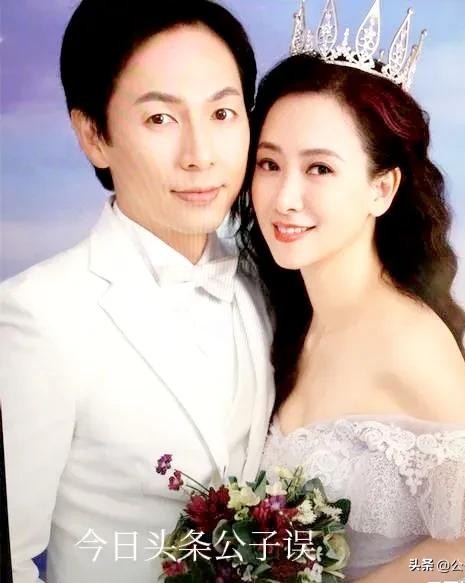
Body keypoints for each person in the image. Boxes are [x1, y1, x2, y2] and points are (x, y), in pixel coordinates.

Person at [0, 1, 274, 582]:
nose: (200, 155)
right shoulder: (38, 314)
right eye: (160, 119)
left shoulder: (270, 284)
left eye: (222, 113)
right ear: (93, 135)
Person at [239, 36, 465, 583]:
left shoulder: (408, 343)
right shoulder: (283, 317)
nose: (284, 198)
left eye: (319, 169)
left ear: (382, 188)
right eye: (269, 163)